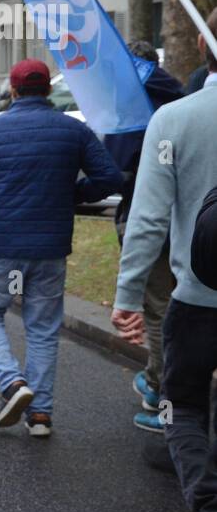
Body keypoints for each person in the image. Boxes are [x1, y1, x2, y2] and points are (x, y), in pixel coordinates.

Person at [0, 58, 122, 437]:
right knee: (43, 328)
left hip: (2, 242)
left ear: (14, 91)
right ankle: (40, 415)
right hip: (51, 246)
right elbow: (111, 176)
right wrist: (73, 195)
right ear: (48, 90)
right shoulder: (73, 130)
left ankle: (12, 383)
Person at [112, 18, 217, 512]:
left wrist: (128, 295)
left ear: (202, 46)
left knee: (183, 407)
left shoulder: (174, 119)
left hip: (198, 298)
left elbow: (148, 220)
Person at [103, 39, 185, 432]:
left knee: (157, 304)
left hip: (145, 210)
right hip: (190, 219)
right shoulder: (179, 97)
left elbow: (115, 165)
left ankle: (160, 388)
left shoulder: (127, 109)